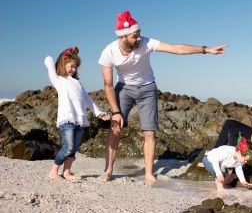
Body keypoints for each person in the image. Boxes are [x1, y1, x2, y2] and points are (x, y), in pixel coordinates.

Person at [98, 10, 227, 183]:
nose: (139, 38)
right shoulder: (109, 52)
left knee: (149, 132)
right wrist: (115, 111)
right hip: (124, 89)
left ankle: (149, 173)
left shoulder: (146, 43)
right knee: (115, 127)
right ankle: (108, 170)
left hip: (147, 88)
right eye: (135, 36)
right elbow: (107, 85)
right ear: (123, 37)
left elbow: (177, 49)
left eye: (139, 35)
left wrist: (206, 50)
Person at [44, 47, 110, 180]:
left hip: (79, 120)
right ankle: (53, 171)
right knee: (67, 147)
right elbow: (49, 62)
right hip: (66, 119)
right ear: (63, 64)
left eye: (76, 67)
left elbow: (88, 100)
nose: (74, 69)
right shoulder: (58, 80)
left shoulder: (78, 83)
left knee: (73, 149)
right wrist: (56, 59)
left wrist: (98, 113)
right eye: (71, 66)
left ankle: (66, 172)